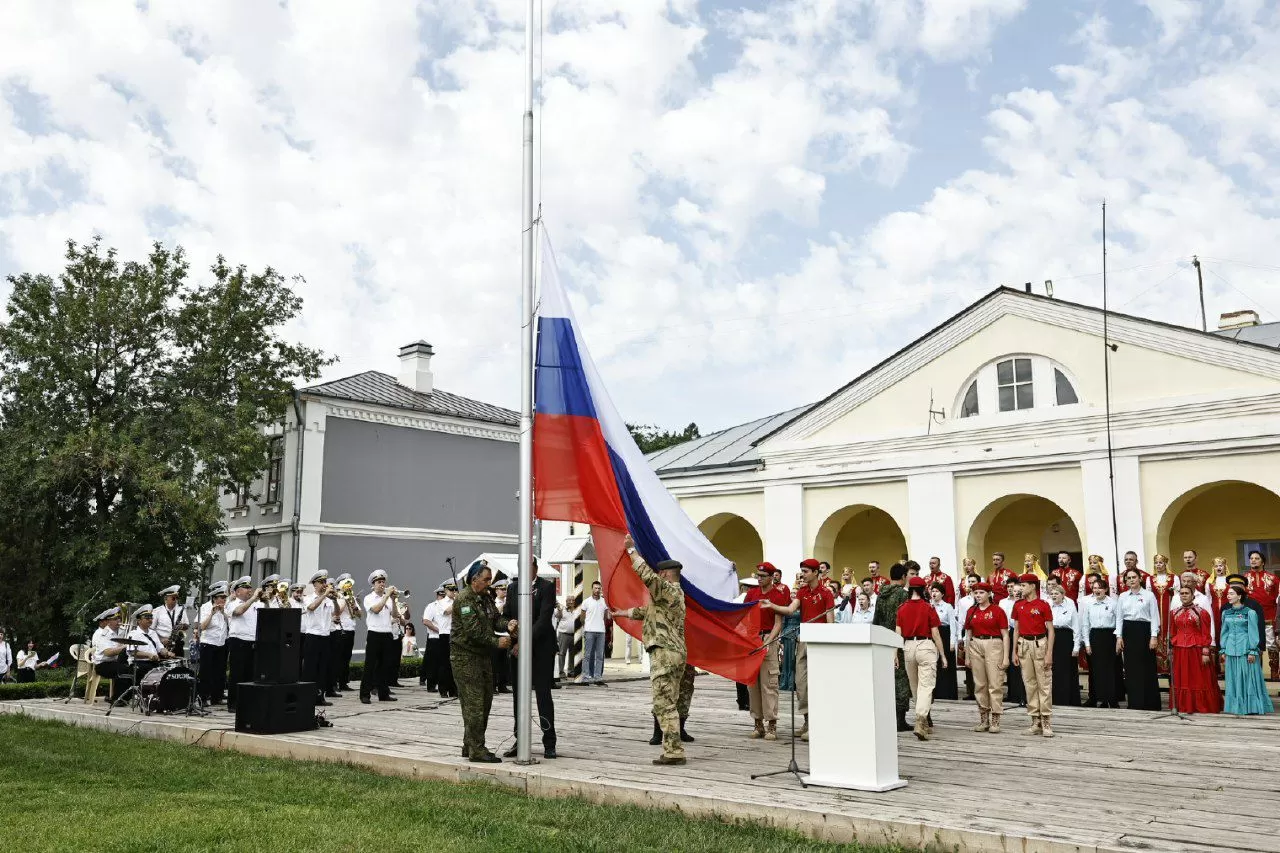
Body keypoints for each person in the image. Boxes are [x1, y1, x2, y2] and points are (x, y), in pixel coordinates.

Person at [619, 533, 690, 766]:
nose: (658, 575)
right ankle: (672, 747)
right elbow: (647, 612)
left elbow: (647, 576)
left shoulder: (668, 590)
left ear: (666, 574)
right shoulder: (673, 596)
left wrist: (631, 550)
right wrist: (623, 613)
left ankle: (673, 751)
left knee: (664, 702)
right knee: (670, 700)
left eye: (661, 573)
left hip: (665, 652)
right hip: (675, 653)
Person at [763, 558, 835, 741]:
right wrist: (772, 605)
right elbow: (789, 610)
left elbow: (830, 621)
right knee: (801, 683)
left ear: (815, 573)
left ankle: (817, 723)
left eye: (806, 571)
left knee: (819, 684)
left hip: (820, 643)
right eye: (801, 571)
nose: (802, 574)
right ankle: (807, 721)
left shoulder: (826, 593)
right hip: (803, 641)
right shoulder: (802, 592)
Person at [452, 561, 512, 762]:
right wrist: (498, 642)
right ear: (474, 579)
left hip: (482, 657)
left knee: (485, 701)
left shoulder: (485, 598)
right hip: (465, 658)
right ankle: (477, 750)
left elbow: (495, 619)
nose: (489, 584)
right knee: (474, 704)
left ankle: (469, 744)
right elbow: (474, 632)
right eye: (486, 580)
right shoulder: (464, 599)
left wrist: (508, 624)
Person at [502, 560, 560, 759]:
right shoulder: (512, 588)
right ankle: (521, 740)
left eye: (528, 566)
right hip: (517, 649)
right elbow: (506, 615)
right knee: (518, 695)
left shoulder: (546, 587)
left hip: (541, 648)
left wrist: (524, 643)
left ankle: (549, 742)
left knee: (543, 695)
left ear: (535, 568)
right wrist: (508, 625)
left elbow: (544, 620)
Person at [896, 577, 948, 740]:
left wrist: (895, 654)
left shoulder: (902, 608)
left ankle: (923, 722)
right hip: (925, 645)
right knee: (926, 686)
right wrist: (943, 655)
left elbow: (897, 634)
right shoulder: (928, 608)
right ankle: (920, 719)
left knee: (915, 687)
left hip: (908, 646)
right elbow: (935, 633)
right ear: (923, 589)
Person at [745, 562, 788, 740]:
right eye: (758, 575)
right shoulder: (751, 593)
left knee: (769, 683)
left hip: (769, 638)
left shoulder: (777, 595)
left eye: (763, 576)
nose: (759, 579)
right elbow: (745, 615)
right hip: (753, 639)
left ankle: (772, 724)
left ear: (771, 577)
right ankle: (757, 722)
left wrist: (769, 642)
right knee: (752, 683)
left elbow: (778, 623)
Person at [1011, 573, 1054, 737]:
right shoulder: (1018, 605)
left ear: (1033, 586)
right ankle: (1035, 720)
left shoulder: (1043, 605)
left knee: (1044, 683)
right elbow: (1016, 628)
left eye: (1023, 585)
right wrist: (1014, 651)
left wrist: (1049, 653)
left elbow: (1051, 630)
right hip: (1024, 644)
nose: (1020, 588)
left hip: (1040, 643)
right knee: (1029, 684)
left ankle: (1046, 721)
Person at [962, 582, 1009, 733]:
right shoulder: (971, 611)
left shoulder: (997, 611)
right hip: (976, 643)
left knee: (995, 682)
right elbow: (968, 635)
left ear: (989, 594)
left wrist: (1006, 657)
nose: (978, 596)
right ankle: (984, 718)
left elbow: (1005, 635)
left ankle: (996, 718)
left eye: (981, 593)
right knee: (979, 683)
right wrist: (967, 656)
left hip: (993, 643)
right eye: (976, 593)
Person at [1220, 584, 1273, 716]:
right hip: (1231, 650)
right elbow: (1224, 632)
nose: (1228, 596)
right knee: (1233, 678)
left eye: (1232, 593)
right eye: (1228, 593)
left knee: (1248, 678)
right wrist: (1223, 649)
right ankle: (1235, 707)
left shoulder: (1250, 612)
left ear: (1239, 596)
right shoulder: (1226, 613)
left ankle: (1251, 707)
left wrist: (1252, 650)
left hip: (1245, 648)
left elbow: (1253, 632)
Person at [1168, 584, 1222, 714]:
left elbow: (1206, 633)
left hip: (1196, 650)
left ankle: (1200, 705)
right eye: (1182, 593)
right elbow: (1173, 633)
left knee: (1198, 678)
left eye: (1187, 593)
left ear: (1193, 596)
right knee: (1182, 678)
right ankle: (1183, 705)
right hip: (1180, 650)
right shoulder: (1174, 613)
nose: (1184, 595)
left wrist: (1205, 652)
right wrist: (1171, 649)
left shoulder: (1201, 612)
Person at [873, 562, 913, 731]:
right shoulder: (903, 595)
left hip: (883, 640)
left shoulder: (881, 594)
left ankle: (886, 715)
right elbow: (906, 619)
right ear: (903, 577)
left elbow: (876, 619)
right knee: (901, 680)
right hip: (899, 640)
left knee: (885, 679)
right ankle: (900, 719)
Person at [1115, 567, 1161, 710]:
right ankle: (1135, 702)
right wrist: (1119, 636)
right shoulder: (1122, 596)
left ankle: (1150, 702)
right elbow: (1119, 618)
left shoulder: (1149, 595)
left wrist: (1154, 636)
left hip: (1144, 632)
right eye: (1128, 578)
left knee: (1146, 667)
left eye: (1134, 577)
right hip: (1129, 632)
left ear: (1140, 578)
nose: (1131, 580)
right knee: (1131, 668)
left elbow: (1154, 617)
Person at [361, 570, 400, 705]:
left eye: (383, 582)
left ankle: (384, 694)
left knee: (385, 666)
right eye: (379, 582)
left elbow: (395, 615)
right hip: (374, 633)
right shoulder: (369, 598)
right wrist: (387, 596)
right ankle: (365, 694)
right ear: (373, 584)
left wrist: (394, 600)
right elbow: (376, 610)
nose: (382, 584)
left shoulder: (388, 599)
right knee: (370, 665)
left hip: (387, 633)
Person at [1080, 577, 1119, 708]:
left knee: (1110, 669)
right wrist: (1087, 643)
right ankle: (1098, 698)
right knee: (1096, 670)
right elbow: (1085, 625)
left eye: (1100, 588)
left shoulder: (1113, 603)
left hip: (1109, 636)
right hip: (1095, 636)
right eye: (1094, 588)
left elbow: (1119, 621)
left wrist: (1119, 638)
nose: (1097, 590)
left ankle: (1111, 700)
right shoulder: (1089, 604)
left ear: (1106, 589)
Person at [225, 576, 262, 711]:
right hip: (238, 641)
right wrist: (253, 599)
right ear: (238, 591)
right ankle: (233, 703)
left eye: (250, 588)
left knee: (250, 674)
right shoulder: (232, 603)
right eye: (246, 588)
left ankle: (247, 701)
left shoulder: (256, 604)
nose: (249, 590)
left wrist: (266, 598)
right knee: (237, 674)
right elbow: (239, 611)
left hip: (252, 641)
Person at [301, 570, 336, 706]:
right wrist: (325, 595)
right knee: (310, 668)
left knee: (323, 668)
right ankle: (306, 697)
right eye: (321, 582)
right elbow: (311, 607)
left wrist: (335, 600)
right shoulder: (309, 598)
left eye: (324, 582)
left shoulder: (328, 600)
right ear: (314, 584)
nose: (324, 585)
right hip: (313, 637)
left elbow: (336, 613)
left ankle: (320, 697)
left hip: (325, 636)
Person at [1242, 550, 1279, 680]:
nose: (1253, 560)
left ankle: (1275, 672)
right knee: (1253, 645)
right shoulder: (1244, 578)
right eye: (1251, 558)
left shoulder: (1273, 578)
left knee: (1272, 645)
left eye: (1256, 558)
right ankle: (1256, 672)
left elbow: (1277, 599)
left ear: (1262, 561)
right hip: (1251, 618)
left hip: (1269, 617)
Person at [197, 583, 230, 705]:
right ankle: (203, 698)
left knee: (220, 671)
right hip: (208, 643)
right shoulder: (205, 607)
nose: (224, 600)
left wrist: (223, 613)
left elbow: (231, 623)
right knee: (206, 672)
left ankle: (217, 697)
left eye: (225, 597)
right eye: (221, 597)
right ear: (214, 598)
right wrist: (212, 613)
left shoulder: (226, 608)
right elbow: (202, 627)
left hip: (221, 643)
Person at [1048, 584, 1080, 707]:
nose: (1054, 596)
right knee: (1054, 670)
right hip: (1052, 637)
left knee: (1066, 670)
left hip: (1066, 639)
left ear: (1063, 595)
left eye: (1056, 593)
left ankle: (1068, 700)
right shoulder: (1048, 607)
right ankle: (1055, 699)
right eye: (1052, 594)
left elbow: (1076, 627)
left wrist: (1076, 646)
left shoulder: (1070, 607)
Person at [997, 576, 1025, 707]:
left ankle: (1022, 694)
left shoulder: (1022, 601)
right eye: (1008, 587)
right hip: (1007, 632)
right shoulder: (1003, 602)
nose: (1010, 589)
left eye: (1012, 587)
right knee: (1009, 663)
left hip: (1021, 631)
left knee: (1020, 663)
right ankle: (1012, 693)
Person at [89, 608, 127, 700]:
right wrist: (124, 647)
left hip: (115, 662)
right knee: (122, 670)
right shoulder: (103, 634)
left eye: (119, 619)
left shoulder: (121, 631)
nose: (119, 621)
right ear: (108, 621)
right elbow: (108, 653)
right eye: (115, 619)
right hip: (103, 664)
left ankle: (125, 697)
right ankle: (117, 698)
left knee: (133, 668)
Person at [127, 606, 174, 679]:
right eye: (147, 618)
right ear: (139, 620)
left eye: (151, 618)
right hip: (139, 663)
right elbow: (132, 652)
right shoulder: (133, 634)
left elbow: (160, 648)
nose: (150, 620)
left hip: (153, 663)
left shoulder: (153, 633)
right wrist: (148, 655)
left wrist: (167, 653)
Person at [929, 582, 959, 700]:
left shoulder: (947, 606)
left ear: (942, 594)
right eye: (932, 591)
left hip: (945, 634)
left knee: (946, 663)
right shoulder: (929, 606)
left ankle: (948, 692)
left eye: (936, 591)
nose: (934, 593)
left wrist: (953, 642)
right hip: (932, 634)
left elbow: (953, 625)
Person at [333, 573, 361, 694]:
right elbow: (337, 612)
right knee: (338, 657)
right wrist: (345, 597)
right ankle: (336, 682)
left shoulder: (352, 597)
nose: (348, 586)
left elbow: (360, 615)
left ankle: (344, 682)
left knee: (346, 657)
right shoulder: (338, 596)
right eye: (346, 583)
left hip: (350, 630)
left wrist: (354, 605)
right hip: (340, 629)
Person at [1151, 555, 1177, 676]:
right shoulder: (1150, 579)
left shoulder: (1173, 578)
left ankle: (1171, 666)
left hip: (1169, 610)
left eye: (1161, 562)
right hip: (1155, 611)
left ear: (1165, 563)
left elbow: (1177, 596)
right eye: (1156, 563)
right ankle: (1158, 667)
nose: (1158, 565)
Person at [580, 580, 608, 685]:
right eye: (595, 588)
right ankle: (586, 677)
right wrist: (587, 627)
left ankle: (598, 677)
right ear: (592, 589)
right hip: (589, 631)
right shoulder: (586, 602)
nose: (597, 590)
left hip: (601, 632)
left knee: (600, 655)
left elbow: (605, 617)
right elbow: (582, 618)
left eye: (599, 588)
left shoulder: (604, 602)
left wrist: (601, 626)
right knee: (587, 655)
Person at [421, 586, 446, 690]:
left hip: (445, 638)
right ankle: (431, 685)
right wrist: (439, 630)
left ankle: (442, 684)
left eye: (444, 595)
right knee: (433, 663)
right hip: (435, 638)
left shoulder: (449, 606)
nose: (442, 597)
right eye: (441, 595)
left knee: (443, 663)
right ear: (437, 595)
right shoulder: (432, 606)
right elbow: (426, 621)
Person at [153, 585, 188, 658]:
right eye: (173, 598)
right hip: (163, 645)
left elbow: (187, 625)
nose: (176, 600)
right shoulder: (157, 611)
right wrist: (161, 640)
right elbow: (151, 630)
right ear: (165, 599)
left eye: (177, 598)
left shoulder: (181, 610)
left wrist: (181, 626)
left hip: (178, 644)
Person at [436, 581, 457, 698]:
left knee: (455, 663)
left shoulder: (457, 601)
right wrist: (458, 601)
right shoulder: (441, 603)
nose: (453, 592)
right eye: (451, 589)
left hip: (456, 634)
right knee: (444, 663)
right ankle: (443, 689)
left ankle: (453, 689)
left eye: (454, 589)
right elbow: (447, 611)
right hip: (445, 634)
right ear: (445, 590)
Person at [555, 594, 577, 679]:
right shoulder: (562, 610)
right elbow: (558, 616)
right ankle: (561, 672)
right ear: (566, 601)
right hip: (563, 634)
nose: (571, 602)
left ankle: (571, 671)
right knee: (562, 653)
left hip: (574, 635)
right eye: (569, 600)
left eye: (573, 600)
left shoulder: (577, 610)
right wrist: (560, 610)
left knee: (572, 654)